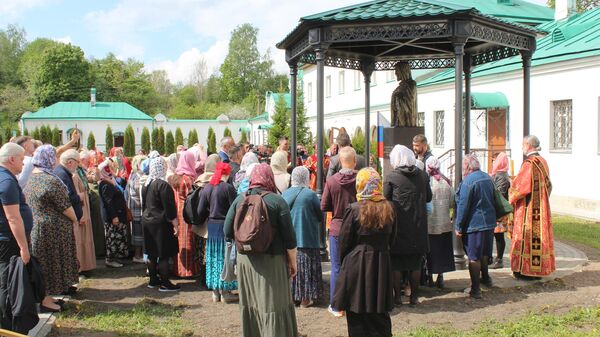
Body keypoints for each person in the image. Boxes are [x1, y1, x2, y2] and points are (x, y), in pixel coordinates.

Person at [224, 163, 298, 337]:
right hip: (272, 262)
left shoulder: (239, 199)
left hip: (246, 262)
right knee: (274, 304)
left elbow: (227, 231)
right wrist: (293, 263)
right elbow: (290, 240)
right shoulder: (277, 201)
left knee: (251, 303)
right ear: (269, 177)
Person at [333, 167, 395, 337]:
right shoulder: (389, 208)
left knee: (356, 309)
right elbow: (392, 239)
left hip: (357, 264)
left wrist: (345, 262)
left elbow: (344, 241)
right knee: (379, 311)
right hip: (381, 262)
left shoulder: (354, 209)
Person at [25, 145, 79, 311]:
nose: (56, 160)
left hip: (39, 227)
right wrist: (75, 218)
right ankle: (45, 301)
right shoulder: (50, 180)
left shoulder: (32, 177)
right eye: (54, 156)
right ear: (47, 158)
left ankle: (48, 298)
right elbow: (65, 206)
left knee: (45, 264)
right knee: (50, 264)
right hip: (52, 231)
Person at [384, 145, 431, 306]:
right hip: (418, 225)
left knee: (396, 263)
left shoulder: (392, 178)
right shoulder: (423, 176)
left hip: (399, 227)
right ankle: (414, 297)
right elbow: (429, 198)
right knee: (415, 263)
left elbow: (385, 200)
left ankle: (397, 298)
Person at [0, 143, 38, 324]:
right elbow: (13, 218)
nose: (23, 164)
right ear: (12, 159)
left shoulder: (5, 177)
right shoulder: (6, 181)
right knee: (8, 281)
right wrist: (23, 247)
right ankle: (9, 322)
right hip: (9, 241)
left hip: (7, 238)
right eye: (22, 160)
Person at [509, 135, 554, 278]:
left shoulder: (529, 164)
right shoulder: (542, 161)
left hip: (529, 210)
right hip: (541, 207)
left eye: (523, 144)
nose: (521, 147)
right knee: (538, 238)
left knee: (526, 236)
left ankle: (525, 271)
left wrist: (510, 193)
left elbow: (521, 188)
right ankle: (538, 270)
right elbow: (548, 186)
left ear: (529, 145)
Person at [321, 146, 358, 317]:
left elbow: (324, 205)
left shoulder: (332, 181)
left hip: (337, 227)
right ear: (355, 161)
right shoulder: (360, 179)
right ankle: (354, 302)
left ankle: (336, 306)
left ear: (339, 162)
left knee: (336, 267)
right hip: (357, 227)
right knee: (355, 265)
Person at [454, 154, 496, 299]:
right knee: (484, 253)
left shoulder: (468, 182)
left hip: (474, 224)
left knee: (473, 257)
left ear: (467, 167)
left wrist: (458, 226)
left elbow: (463, 206)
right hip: (489, 223)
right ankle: (486, 279)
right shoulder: (487, 177)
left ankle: (476, 289)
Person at [197, 162, 238, 302]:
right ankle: (225, 292)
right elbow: (235, 210)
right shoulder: (228, 188)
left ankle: (215, 292)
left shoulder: (207, 188)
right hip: (226, 227)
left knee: (213, 258)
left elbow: (200, 211)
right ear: (226, 174)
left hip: (212, 227)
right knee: (225, 258)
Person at [283, 166, 323, 307]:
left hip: (290, 240)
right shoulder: (310, 195)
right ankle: (306, 298)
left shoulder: (285, 194)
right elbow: (320, 215)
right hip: (307, 237)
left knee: (292, 269)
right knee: (307, 269)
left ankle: (293, 296)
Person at [141, 156, 180, 292]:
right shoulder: (163, 185)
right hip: (160, 223)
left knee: (151, 253)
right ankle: (165, 283)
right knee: (163, 253)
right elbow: (169, 209)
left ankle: (153, 280)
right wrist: (175, 224)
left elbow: (144, 205)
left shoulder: (146, 184)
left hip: (147, 221)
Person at [168, 150, 201, 278]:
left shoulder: (175, 177)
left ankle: (178, 269)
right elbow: (191, 199)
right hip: (186, 214)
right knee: (187, 241)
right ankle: (188, 271)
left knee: (179, 241)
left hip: (177, 212)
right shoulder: (187, 179)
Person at [425, 157, 455, 288]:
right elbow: (452, 202)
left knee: (431, 251)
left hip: (430, 224)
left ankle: (430, 277)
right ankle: (441, 276)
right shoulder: (446, 182)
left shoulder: (428, 183)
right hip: (444, 224)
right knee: (442, 250)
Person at [98, 159, 128, 268]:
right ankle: (110, 260)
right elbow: (108, 202)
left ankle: (114, 258)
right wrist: (114, 216)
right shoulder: (105, 184)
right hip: (112, 216)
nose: (111, 169)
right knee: (111, 238)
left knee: (116, 237)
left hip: (116, 214)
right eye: (109, 168)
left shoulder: (110, 181)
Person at [72, 150, 96, 274]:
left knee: (86, 237)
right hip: (80, 207)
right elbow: (75, 194)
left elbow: (90, 180)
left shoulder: (81, 171)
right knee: (81, 238)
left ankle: (87, 265)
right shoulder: (74, 174)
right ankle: (81, 267)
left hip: (85, 205)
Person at [490, 152, 511, 269]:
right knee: (495, 234)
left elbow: (499, 194)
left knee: (498, 235)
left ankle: (499, 260)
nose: (493, 162)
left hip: (499, 211)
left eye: (494, 160)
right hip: (495, 210)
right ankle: (495, 258)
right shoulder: (497, 174)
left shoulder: (502, 177)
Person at [125, 155, 148, 263]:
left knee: (138, 231)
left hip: (135, 206)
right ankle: (137, 255)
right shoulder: (137, 176)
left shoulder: (133, 174)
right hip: (138, 207)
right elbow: (140, 191)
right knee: (138, 232)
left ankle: (139, 254)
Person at [54, 149, 84, 222]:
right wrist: (79, 197)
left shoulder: (63, 172)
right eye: (78, 162)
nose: (78, 165)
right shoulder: (62, 174)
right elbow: (67, 198)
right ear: (70, 162)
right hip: (65, 220)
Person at [390, 61, 417, 127]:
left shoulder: (411, 85)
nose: (395, 73)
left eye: (397, 71)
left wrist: (398, 97)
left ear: (403, 71)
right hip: (397, 120)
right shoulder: (400, 87)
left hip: (406, 121)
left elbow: (409, 103)